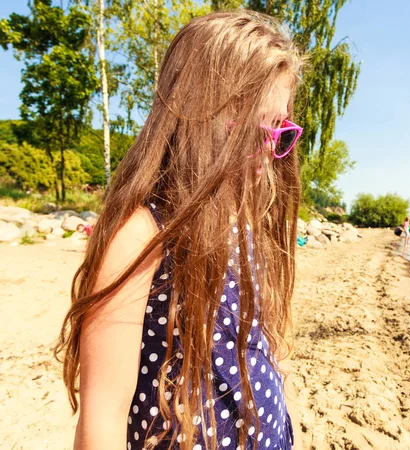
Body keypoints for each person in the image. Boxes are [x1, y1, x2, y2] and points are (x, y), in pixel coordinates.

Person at [55, 11, 304, 450]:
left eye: (281, 132)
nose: (269, 153)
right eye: (250, 132)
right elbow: (104, 415)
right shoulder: (142, 235)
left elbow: (252, 347)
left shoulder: (241, 220)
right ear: (193, 117)